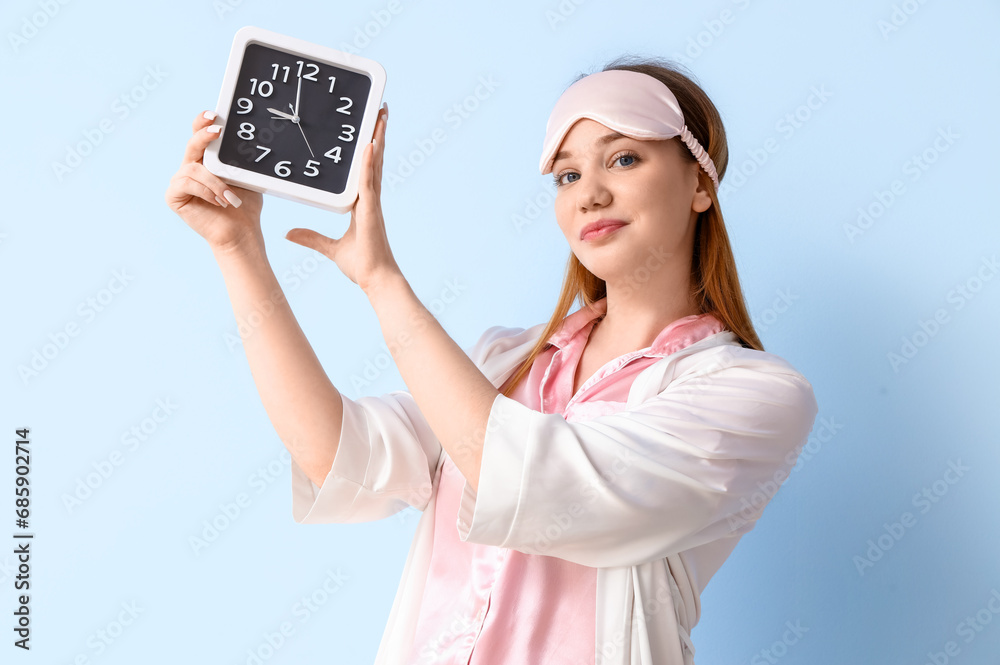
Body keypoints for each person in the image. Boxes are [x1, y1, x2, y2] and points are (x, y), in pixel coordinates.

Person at [165, 55, 819, 665]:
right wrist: (238, 247)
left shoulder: (756, 395)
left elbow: (543, 485)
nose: (589, 194)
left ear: (700, 182)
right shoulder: (504, 364)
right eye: (567, 175)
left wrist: (381, 281)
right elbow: (334, 453)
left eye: (623, 158)